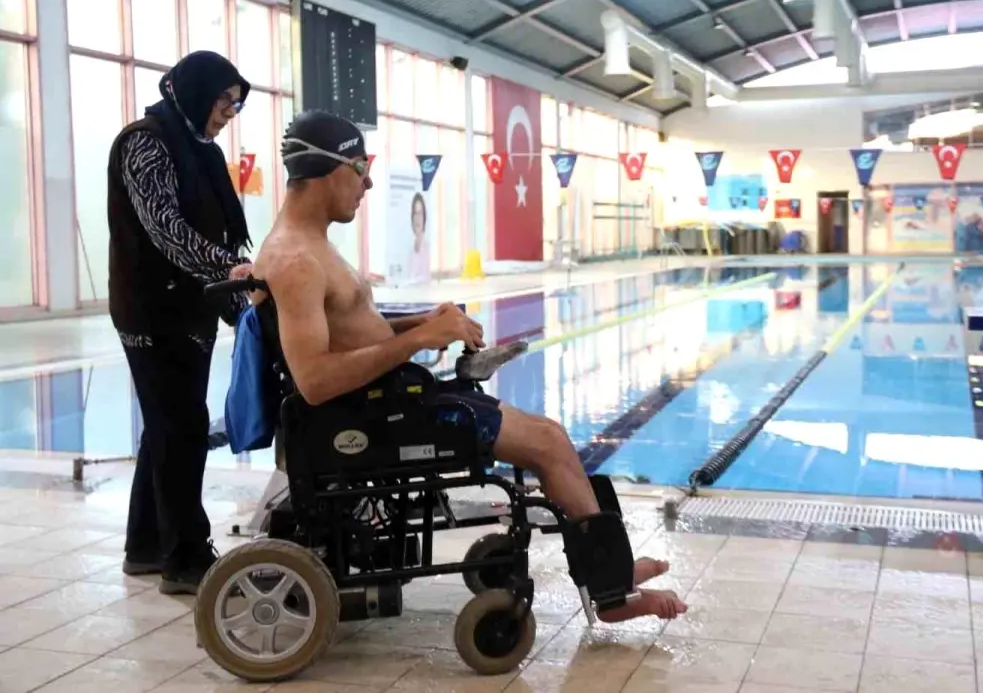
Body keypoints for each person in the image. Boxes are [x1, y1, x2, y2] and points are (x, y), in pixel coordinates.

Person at [251, 110, 687, 623]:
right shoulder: (298, 260)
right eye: (359, 167)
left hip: (391, 402)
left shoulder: (310, 246)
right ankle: (612, 596)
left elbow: (347, 328)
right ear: (328, 169)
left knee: (550, 435)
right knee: (546, 442)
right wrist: (419, 340)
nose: (367, 182)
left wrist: (421, 321)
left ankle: (612, 568)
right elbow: (317, 381)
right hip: (374, 420)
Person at [107, 50, 255, 594]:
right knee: (182, 426)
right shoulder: (145, 141)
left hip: (189, 305)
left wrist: (240, 291)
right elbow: (164, 229)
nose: (227, 115)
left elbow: (218, 232)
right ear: (195, 92)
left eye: (235, 107)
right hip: (151, 310)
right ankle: (185, 558)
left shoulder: (200, 149)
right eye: (223, 102)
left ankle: (145, 546)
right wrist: (227, 268)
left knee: (167, 425)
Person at [408, 192, 430, 282]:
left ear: (424, 217)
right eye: (415, 214)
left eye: (420, 214)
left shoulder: (428, 247)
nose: (417, 218)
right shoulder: (410, 250)